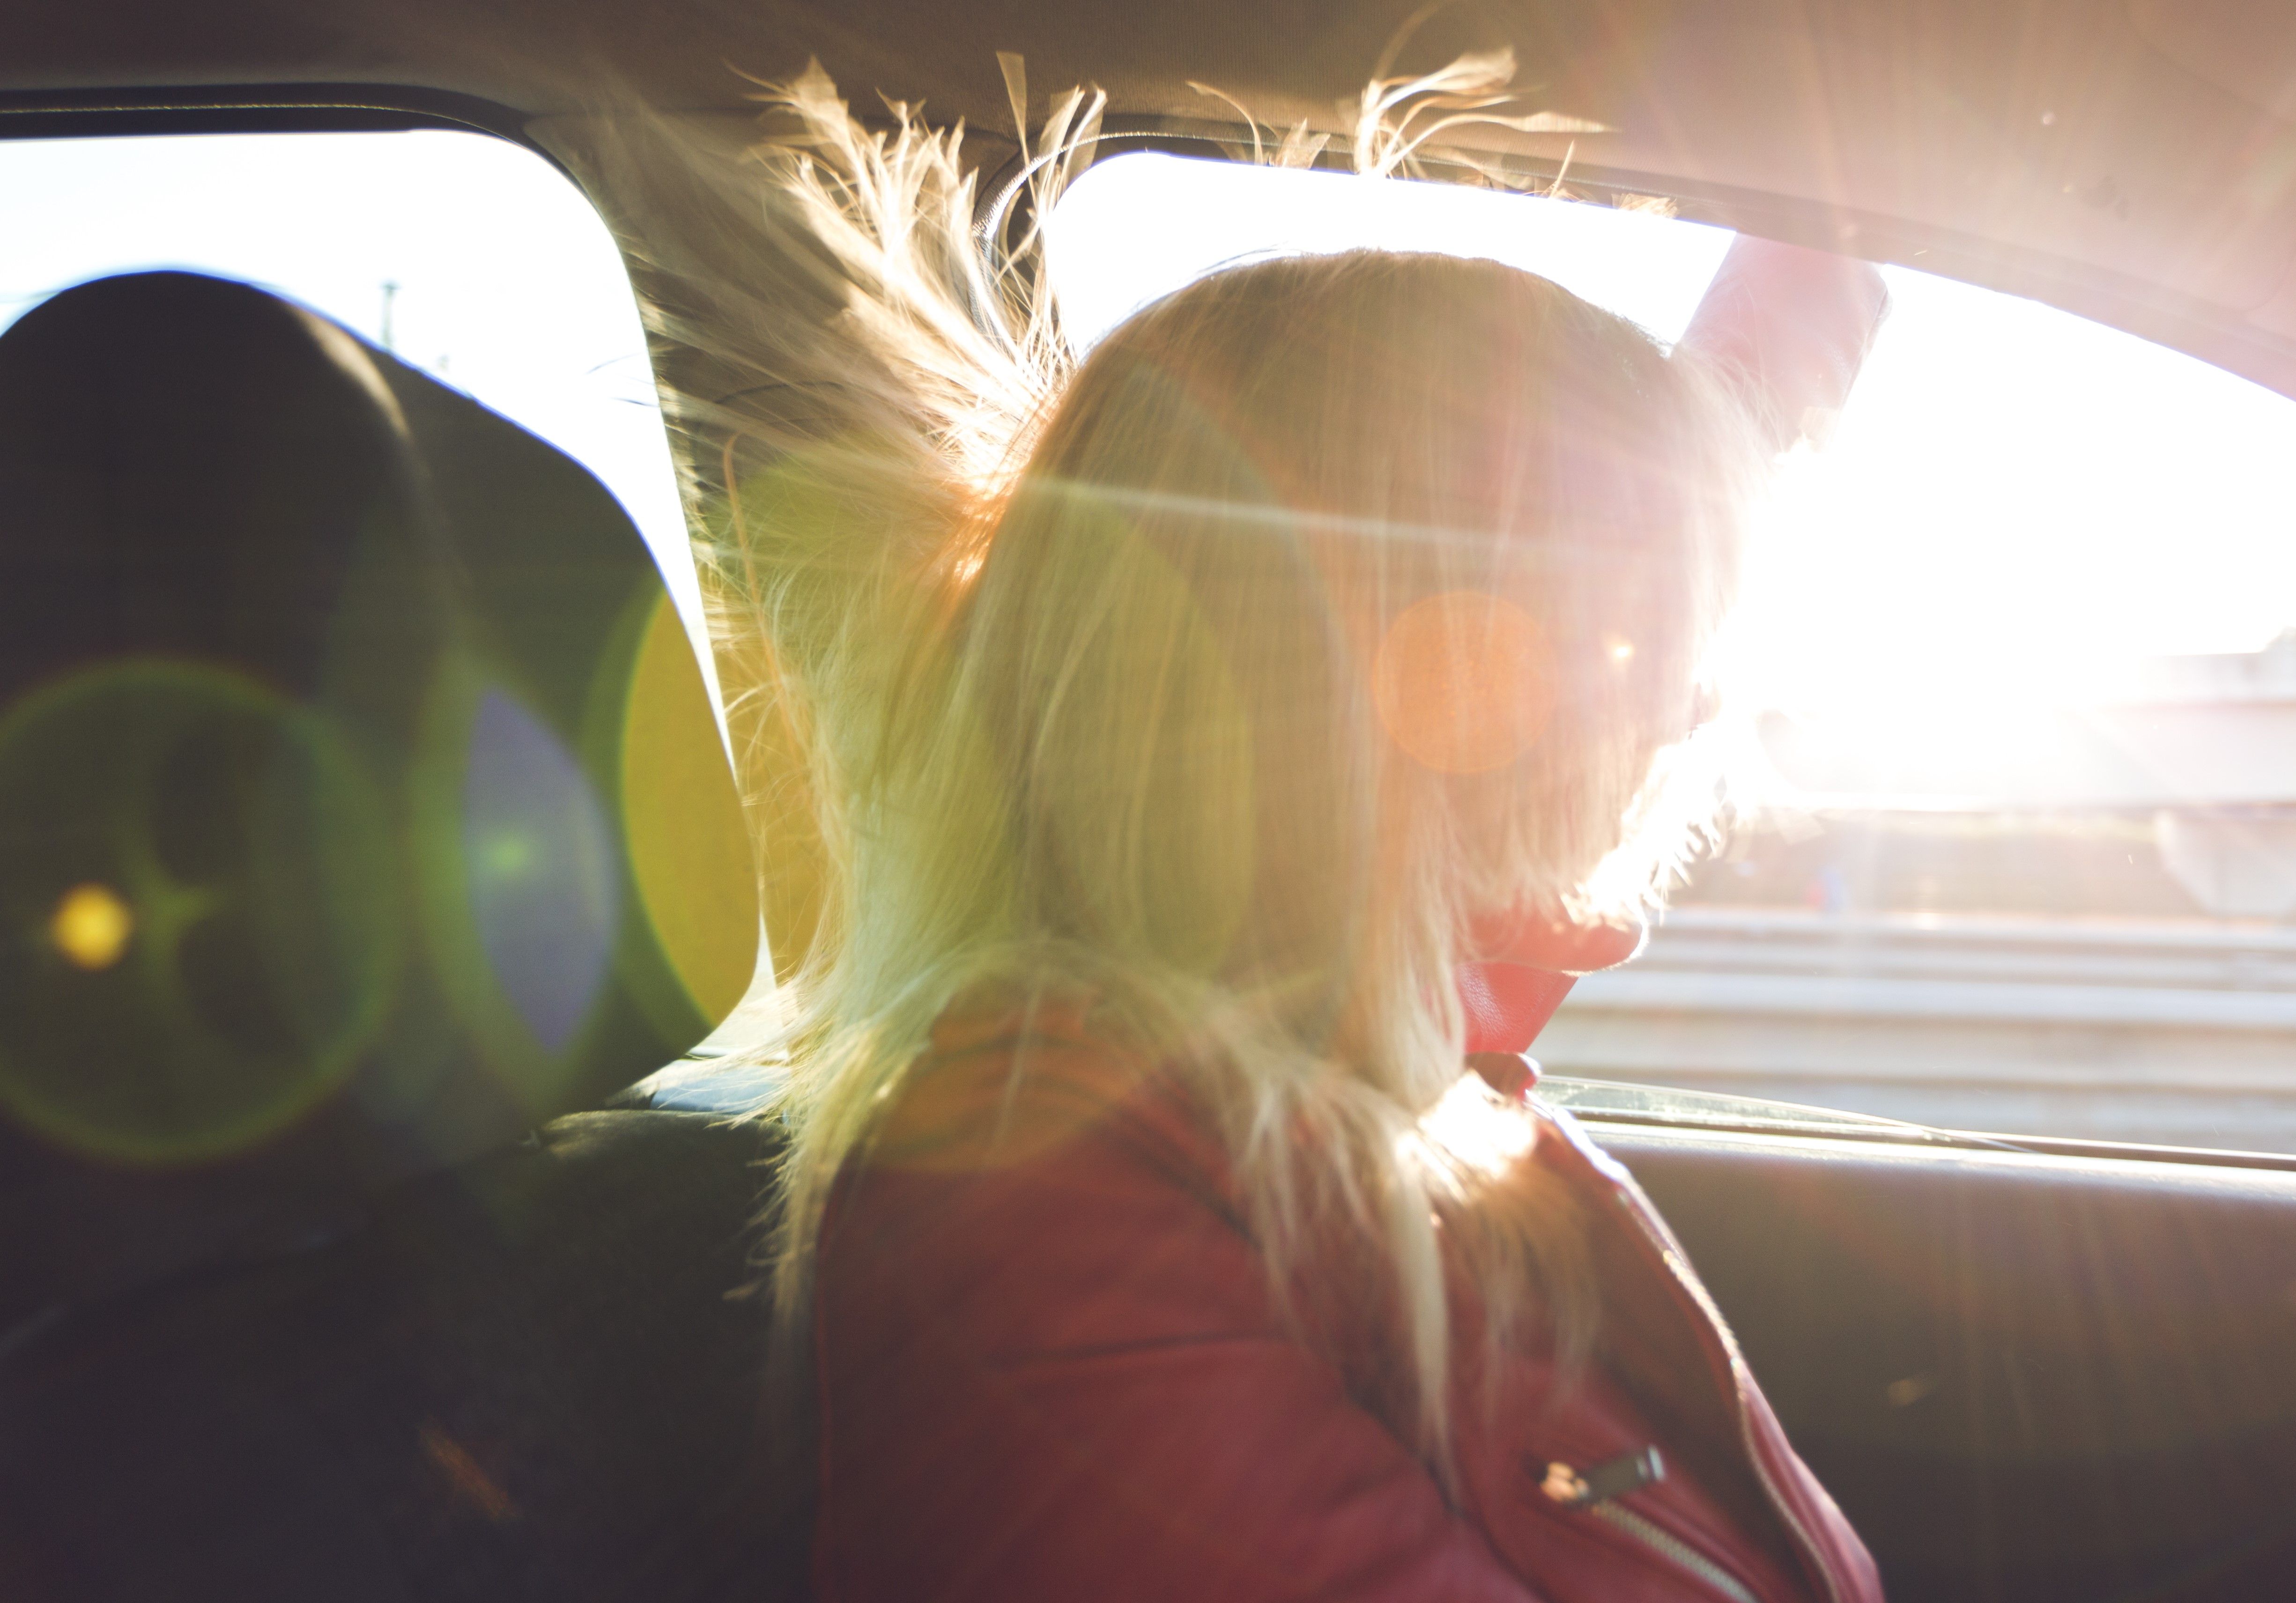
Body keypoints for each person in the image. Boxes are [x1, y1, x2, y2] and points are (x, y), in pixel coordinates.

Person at [567, 61, 1887, 1603]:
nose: (1689, 704)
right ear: (1402, 667)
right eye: (1641, 623)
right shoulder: (1047, 1200)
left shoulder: (1366, 1045)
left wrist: (1833, 214)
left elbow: (1725, 422)